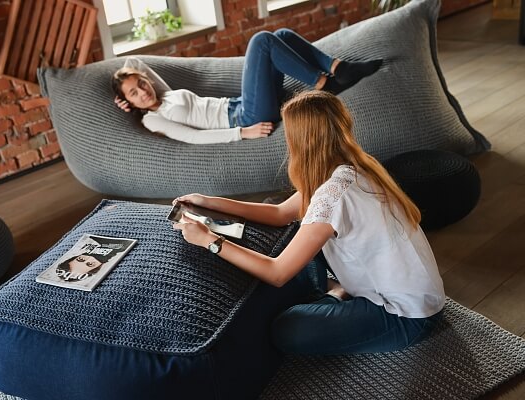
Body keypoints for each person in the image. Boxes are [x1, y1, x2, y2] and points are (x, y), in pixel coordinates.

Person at [172, 90, 445, 355]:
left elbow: (277, 273)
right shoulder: (352, 167)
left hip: (406, 315)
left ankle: (335, 295)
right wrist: (208, 201)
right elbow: (280, 213)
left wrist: (208, 240)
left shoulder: (333, 194)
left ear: (302, 139)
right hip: (415, 295)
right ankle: (334, 292)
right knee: (295, 231)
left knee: (287, 330)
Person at [112, 28, 382, 144]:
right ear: (130, 102)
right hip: (245, 117)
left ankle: (337, 68)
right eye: (134, 93)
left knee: (282, 36)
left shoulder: (164, 95)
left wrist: (128, 91)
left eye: (142, 83)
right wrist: (243, 133)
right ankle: (323, 83)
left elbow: (134, 62)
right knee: (262, 41)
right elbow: (194, 137)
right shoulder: (152, 119)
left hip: (241, 103)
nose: (144, 91)